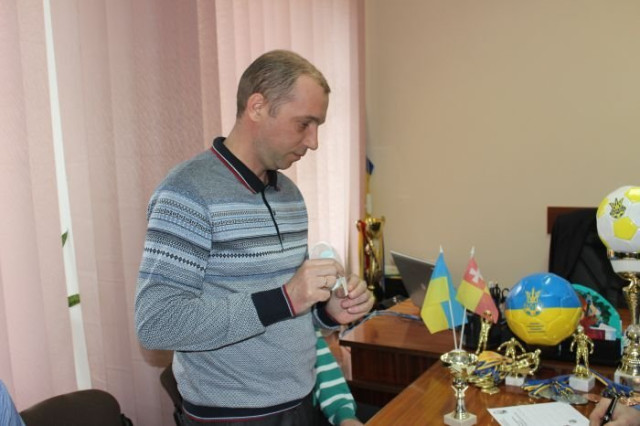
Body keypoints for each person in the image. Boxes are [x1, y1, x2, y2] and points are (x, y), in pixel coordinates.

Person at [135, 50, 374, 425]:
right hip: (232, 418)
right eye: (304, 124)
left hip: (302, 405)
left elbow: (285, 316)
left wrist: (327, 313)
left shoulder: (289, 195)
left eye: (317, 126)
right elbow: (158, 323)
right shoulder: (186, 193)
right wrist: (286, 297)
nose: (313, 141)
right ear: (258, 107)